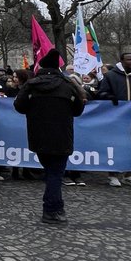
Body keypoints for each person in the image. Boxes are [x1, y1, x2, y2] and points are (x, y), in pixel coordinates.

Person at [14, 49, 87, 225]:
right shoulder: (68, 85)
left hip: (38, 136)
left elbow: (19, 106)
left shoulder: (32, 85)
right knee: (55, 173)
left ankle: (55, 207)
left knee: (51, 172)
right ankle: (52, 210)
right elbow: (78, 110)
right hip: (62, 136)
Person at [97, 53, 131, 187]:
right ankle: (112, 175)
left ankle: (130, 175)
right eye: (129, 59)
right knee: (115, 145)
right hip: (115, 117)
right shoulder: (110, 76)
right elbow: (100, 92)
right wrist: (110, 96)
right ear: (122, 61)